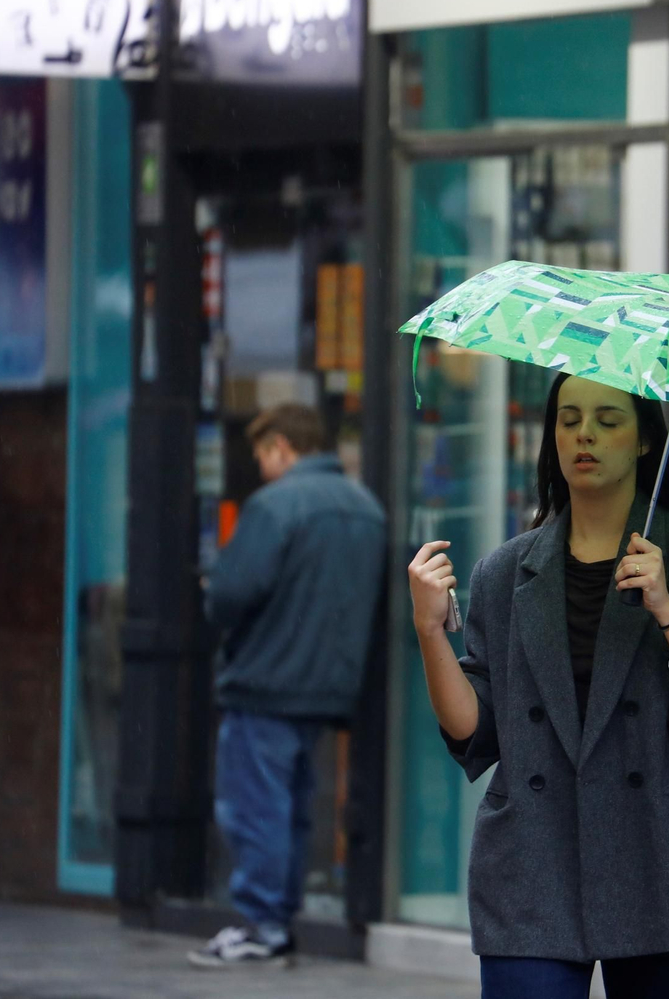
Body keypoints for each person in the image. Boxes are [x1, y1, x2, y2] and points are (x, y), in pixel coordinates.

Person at [407, 373, 669, 999]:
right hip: (532, 860)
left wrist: (667, 608)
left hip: (660, 857)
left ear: (642, 441)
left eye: (608, 420)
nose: (584, 434)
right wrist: (428, 630)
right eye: (569, 418)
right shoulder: (505, 570)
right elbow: (475, 730)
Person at [189, 404, 387, 968]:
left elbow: (229, 594)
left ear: (281, 446)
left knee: (256, 808)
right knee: (294, 810)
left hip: (267, 681)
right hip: (331, 687)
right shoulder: (366, 507)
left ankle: (262, 925)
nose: (262, 468)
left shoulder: (275, 505)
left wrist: (213, 589)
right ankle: (278, 921)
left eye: (262, 455)